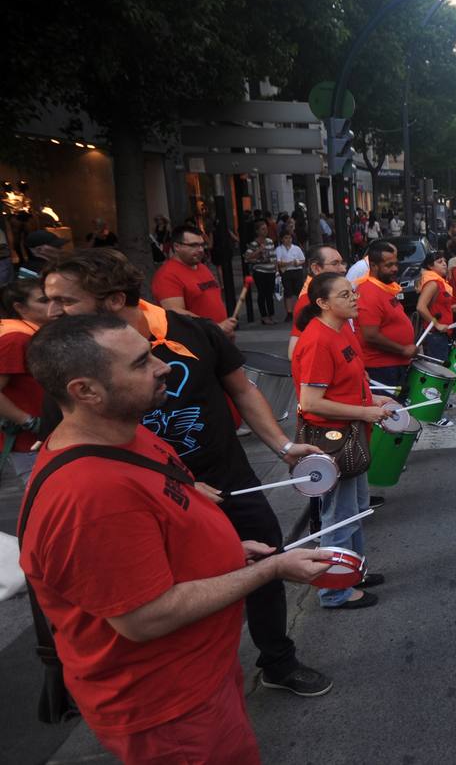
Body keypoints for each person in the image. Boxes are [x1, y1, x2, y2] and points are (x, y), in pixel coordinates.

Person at [19, 314, 333, 762]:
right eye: (141, 362)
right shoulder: (89, 494)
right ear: (85, 391)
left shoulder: (131, 435)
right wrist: (272, 568)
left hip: (199, 679)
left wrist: (227, 551)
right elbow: (144, 618)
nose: (162, 366)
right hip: (167, 709)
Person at [42, 248, 334, 695]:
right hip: (154, 498)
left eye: (65, 300)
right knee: (170, 594)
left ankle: (277, 660)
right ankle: (198, 679)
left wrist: (285, 446)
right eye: (50, 300)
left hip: (227, 479)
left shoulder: (194, 332)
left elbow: (242, 389)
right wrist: (174, 483)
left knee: (265, 557)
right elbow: (75, 445)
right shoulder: (73, 367)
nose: (51, 312)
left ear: (116, 300)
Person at [292, 273, 399, 608]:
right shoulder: (318, 340)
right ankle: (333, 591)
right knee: (338, 516)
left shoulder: (343, 330)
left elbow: (350, 382)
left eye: (353, 292)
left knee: (352, 511)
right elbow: (310, 402)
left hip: (352, 433)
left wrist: (372, 402)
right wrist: (364, 413)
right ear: (322, 303)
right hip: (332, 440)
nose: (355, 298)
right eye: (344, 295)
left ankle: (352, 572)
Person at [0, 278, 49, 482]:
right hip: (30, 444)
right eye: (44, 300)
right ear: (19, 307)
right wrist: (28, 422)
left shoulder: (31, 333)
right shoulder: (15, 339)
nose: (55, 306)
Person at [354, 240, 416, 394]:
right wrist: (402, 350)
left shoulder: (384, 286)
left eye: (395, 264)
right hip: (381, 369)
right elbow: (370, 336)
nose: (395, 269)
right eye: (388, 265)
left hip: (394, 366)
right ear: (374, 266)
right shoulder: (369, 292)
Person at [153, 225, 236, 337]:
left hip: (216, 337)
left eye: (202, 245)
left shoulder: (202, 267)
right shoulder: (167, 275)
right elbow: (176, 313)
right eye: (193, 245)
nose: (201, 249)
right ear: (177, 246)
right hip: (196, 342)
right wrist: (216, 327)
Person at [287, 245, 347, 359]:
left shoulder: (326, 294)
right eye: (335, 264)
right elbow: (294, 352)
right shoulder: (308, 300)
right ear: (316, 268)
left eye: (342, 263)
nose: (343, 269)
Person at [415, 249, 456, 364]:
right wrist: (437, 324)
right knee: (439, 372)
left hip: (442, 335)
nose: (444, 263)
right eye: (439, 261)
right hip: (435, 336)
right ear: (430, 266)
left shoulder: (440, 282)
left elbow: (437, 305)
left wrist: (451, 307)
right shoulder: (433, 283)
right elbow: (420, 306)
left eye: (444, 260)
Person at [244, 220, 279, 325]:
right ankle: (264, 316)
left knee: (270, 294)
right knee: (262, 293)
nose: (265, 231)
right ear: (257, 231)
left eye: (266, 229)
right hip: (260, 271)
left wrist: (276, 269)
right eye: (263, 229)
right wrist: (259, 250)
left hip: (271, 270)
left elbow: (273, 256)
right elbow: (247, 258)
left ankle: (271, 314)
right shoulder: (254, 244)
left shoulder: (269, 241)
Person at [276, 230, 306, 320]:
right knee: (288, 292)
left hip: (297, 271)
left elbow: (303, 260)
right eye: (286, 238)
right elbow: (279, 262)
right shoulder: (279, 249)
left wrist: (297, 263)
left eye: (289, 238)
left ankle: (301, 310)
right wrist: (290, 263)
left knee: (299, 292)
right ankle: (289, 312)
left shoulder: (296, 248)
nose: (288, 240)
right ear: (282, 239)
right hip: (286, 272)